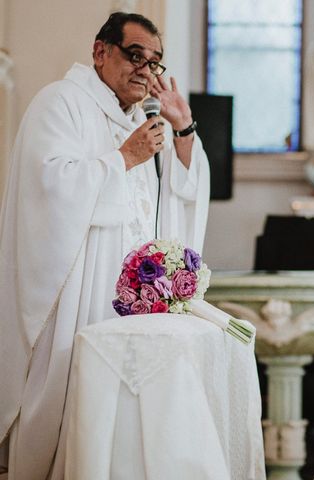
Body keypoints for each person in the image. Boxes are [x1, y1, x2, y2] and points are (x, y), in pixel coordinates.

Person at [0, 12, 210, 479]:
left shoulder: (143, 119)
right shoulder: (60, 102)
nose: (146, 70)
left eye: (155, 62)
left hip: (133, 295)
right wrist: (123, 158)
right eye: (136, 56)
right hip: (81, 284)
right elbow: (48, 185)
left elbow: (176, 197)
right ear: (101, 51)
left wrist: (183, 127)